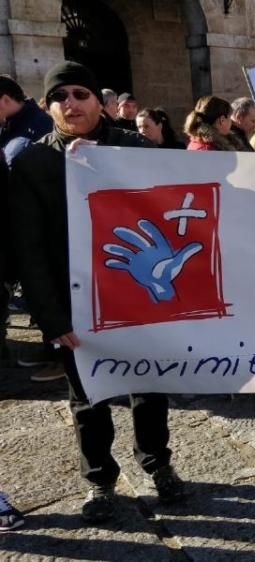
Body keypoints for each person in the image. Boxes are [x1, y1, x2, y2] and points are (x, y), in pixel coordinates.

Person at [10, 61, 185, 523]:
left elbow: (185, 188)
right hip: (75, 304)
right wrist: (51, 318)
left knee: (149, 385)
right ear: (47, 108)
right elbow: (29, 249)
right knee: (88, 397)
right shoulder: (33, 162)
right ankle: (100, 479)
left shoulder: (131, 146)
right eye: (60, 96)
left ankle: (157, 463)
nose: (71, 103)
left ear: (98, 102)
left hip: (138, 294)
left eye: (80, 94)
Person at [0, 75, 59, 381]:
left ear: (4, 99)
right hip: (18, 224)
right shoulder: (13, 124)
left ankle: (58, 354)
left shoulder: (34, 128)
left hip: (36, 222)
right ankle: (50, 347)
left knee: (45, 288)